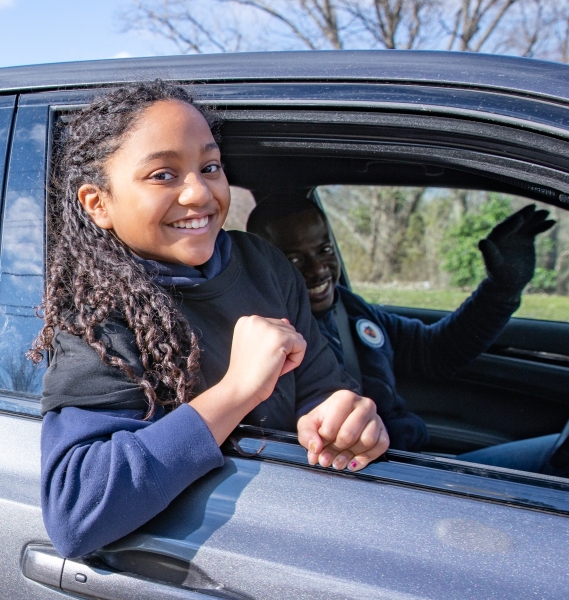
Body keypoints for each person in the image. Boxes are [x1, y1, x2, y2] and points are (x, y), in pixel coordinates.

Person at [32, 82, 389, 559]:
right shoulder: (94, 312)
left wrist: (342, 418)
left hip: (304, 528)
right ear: (99, 203)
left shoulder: (263, 263)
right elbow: (76, 514)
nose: (199, 192)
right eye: (163, 174)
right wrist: (238, 389)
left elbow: (321, 385)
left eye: (210, 166)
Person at [247, 198, 569, 485]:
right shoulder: (265, 341)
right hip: (385, 484)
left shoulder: (351, 310)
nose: (317, 269)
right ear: (269, 266)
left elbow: (435, 352)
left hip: (413, 463)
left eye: (325, 250)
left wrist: (501, 290)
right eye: (295, 259)